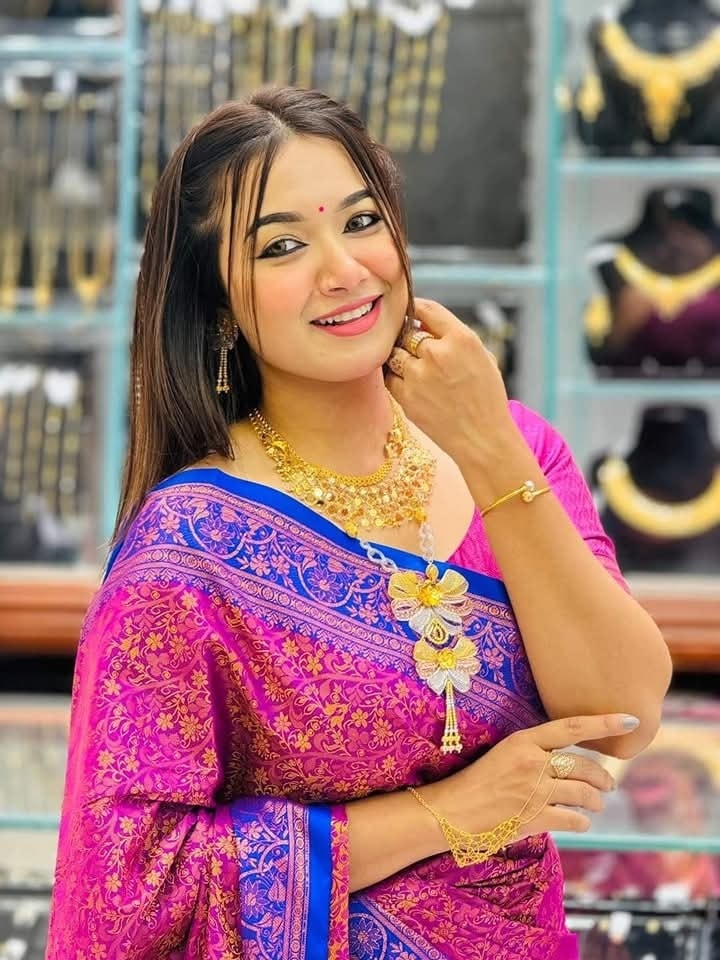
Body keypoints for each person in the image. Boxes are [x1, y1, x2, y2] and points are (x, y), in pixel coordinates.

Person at [46, 86, 672, 960]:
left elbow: (621, 716)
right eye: (283, 246)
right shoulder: (190, 546)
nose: (343, 270)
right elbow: (133, 890)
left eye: (362, 221)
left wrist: (493, 457)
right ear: (220, 303)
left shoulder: (517, 450)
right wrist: (446, 814)